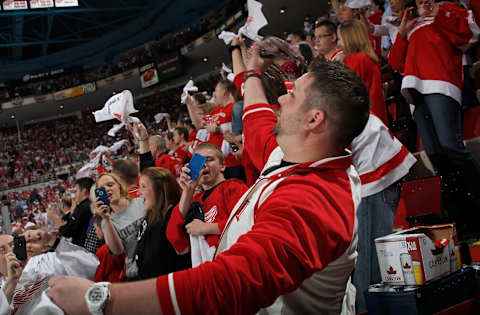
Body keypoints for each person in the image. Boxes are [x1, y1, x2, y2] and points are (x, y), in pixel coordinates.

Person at [47, 56, 371, 314]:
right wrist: (252, 71)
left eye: (293, 94)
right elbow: (256, 114)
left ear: (313, 120)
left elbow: (231, 284)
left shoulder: (318, 201)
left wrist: (100, 300)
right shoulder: (292, 151)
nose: (282, 98)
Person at [389, 0, 480, 238]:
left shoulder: (449, 9)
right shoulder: (414, 23)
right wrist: (403, 33)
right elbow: (396, 63)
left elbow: (470, 35)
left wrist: (441, 12)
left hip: (442, 83)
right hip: (416, 90)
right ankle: (462, 218)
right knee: (437, 155)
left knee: (451, 145)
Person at [167, 143, 248, 267]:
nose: (204, 164)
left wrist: (208, 228)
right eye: (199, 161)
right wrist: (187, 191)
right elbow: (177, 242)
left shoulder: (234, 187)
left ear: (222, 166)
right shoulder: (194, 200)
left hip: (235, 266)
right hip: (207, 273)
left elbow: (245, 224)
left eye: (209, 159)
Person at [0, 230, 98, 315]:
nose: (10, 250)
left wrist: (53, 241)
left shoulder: (47, 260)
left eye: (12, 244)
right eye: (2, 250)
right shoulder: (3, 290)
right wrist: (12, 281)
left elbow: (92, 268)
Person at [133, 167, 191, 280]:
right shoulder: (150, 216)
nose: (138, 192)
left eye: (143, 187)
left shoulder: (169, 221)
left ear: (160, 189)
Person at [93, 173, 146, 280]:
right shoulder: (106, 222)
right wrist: (106, 219)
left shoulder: (141, 202)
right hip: (136, 271)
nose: (107, 189)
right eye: (102, 189)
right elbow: (117, 251)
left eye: (110, 185)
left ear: (119, 186)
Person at [338, 19, 389, 126]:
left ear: (349, 39)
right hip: (375, 114)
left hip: (367, 119)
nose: (338, 44)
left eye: (340, 39)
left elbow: (345, 93)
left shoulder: (356, 59)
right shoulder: (365, 57)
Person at [58, 177, 94, 248]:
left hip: (83, 249)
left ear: (84, 191)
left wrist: (55, 218)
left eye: (76, 191)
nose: (75, 194)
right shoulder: (91, 204)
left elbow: (68, 232)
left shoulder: (82, 208)